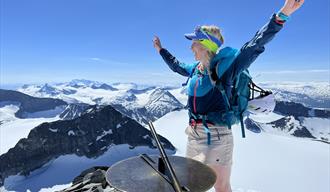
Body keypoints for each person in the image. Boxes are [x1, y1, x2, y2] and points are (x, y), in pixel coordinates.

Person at [153, 0, 304, 191]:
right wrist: (161, 50)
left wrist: (281, 16)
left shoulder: (226, 68)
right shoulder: (196, 69)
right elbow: (176, 65)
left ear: (206, 45)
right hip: (194, 134)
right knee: (191, 184)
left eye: (194, 43)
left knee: (221, 186)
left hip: (217, 136)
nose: (190, 47)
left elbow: (254, 46)